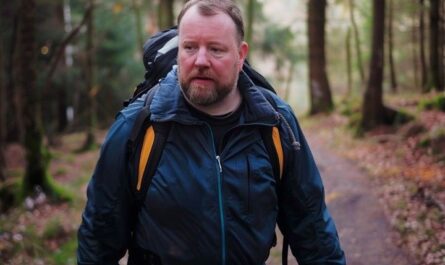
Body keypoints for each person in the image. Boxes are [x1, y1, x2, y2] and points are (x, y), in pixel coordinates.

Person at [77, 0, 346, 264]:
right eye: (190, 47)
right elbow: (99, 237)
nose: (200, 61)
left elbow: (313, 229)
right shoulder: (140, 126)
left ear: (240, 55)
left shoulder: (275, 123)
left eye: (216, 49)